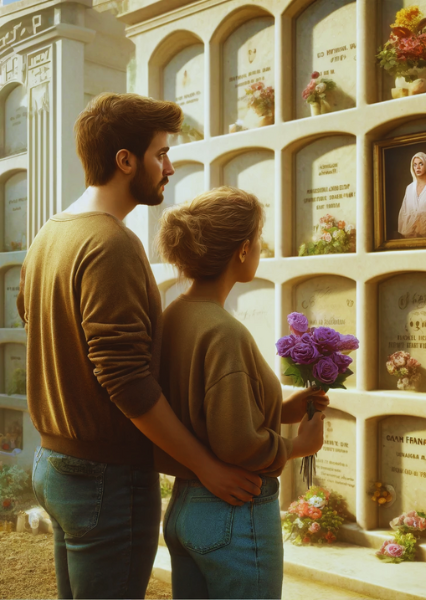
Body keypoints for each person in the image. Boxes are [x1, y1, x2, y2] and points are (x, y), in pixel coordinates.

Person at [17, 93, 262, 600]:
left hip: (54, 464)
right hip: (104, 477)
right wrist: (205, 466)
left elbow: (34, 318)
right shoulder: (111, 244)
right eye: (160, 154)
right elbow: (125, 379)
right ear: (125, 161)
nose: (169, 167)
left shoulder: (49, 234)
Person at [155, 187, 327, 599]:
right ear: (244, 250)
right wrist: (295, 446)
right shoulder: (223, 331)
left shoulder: (174, 314)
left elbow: (197, 406)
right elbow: (234, 443)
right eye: (260, 238)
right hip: (233, 511)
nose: (262, 247)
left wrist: (278, 409)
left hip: (185, 508)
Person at [397, 152, 426, 238]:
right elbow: (403, 213)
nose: (417, 167)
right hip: (409, 236)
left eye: (421, 164)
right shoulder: (409, 188)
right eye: (415, 165)